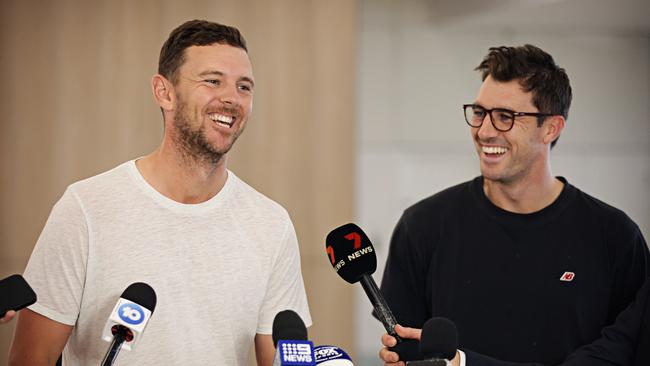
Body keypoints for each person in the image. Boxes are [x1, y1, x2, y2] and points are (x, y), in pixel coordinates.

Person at [9, 20, 311, 366]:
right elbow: (30, 359)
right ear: (164, 92)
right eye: (213, 81)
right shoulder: (85, 209)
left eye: (245, 87)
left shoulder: (271, 224)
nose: (231, 98)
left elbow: (280, 358)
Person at [377, 44, 649, 365]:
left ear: (551, 127)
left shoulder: (615, 237)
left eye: (506, 117)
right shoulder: (422, 227)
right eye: (479, 113)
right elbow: (406, 351)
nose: (485, 131)